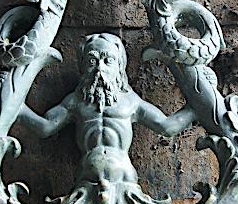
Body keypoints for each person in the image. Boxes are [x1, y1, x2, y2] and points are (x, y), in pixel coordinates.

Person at [16, 33, 195, 186]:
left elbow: (166, 126)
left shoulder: (130, 101)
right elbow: (45, 127)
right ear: (83, 66)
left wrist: (194, 108)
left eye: (108, 61)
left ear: (119, 66)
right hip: (86, 179)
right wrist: (16, 106)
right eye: (92, 61)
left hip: (125, 178)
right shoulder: (74, 102)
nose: (99, 68)